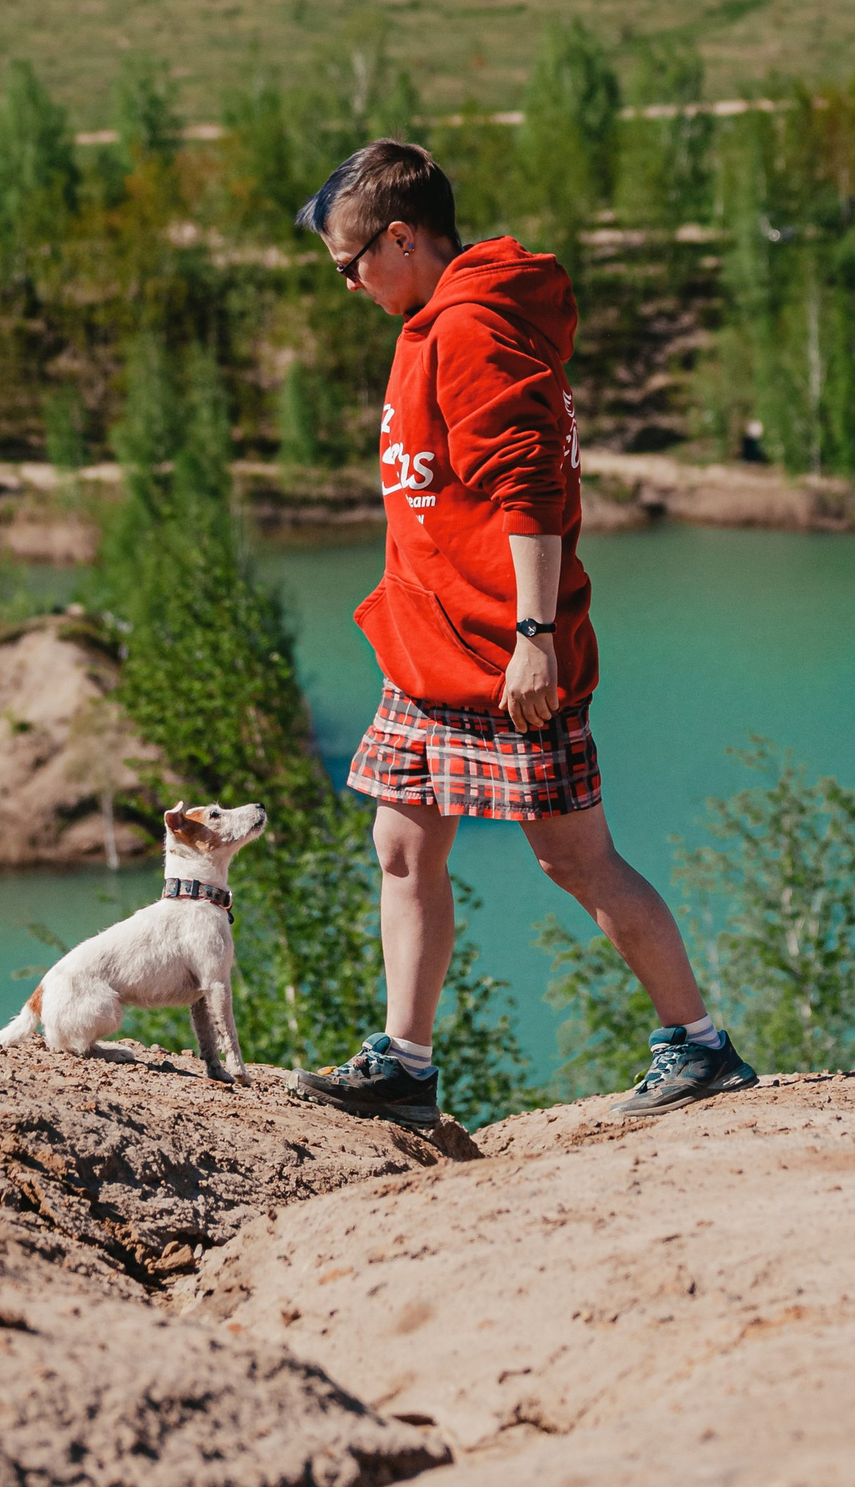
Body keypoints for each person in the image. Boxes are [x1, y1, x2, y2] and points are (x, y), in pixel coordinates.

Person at [289, 139, 755, 1128]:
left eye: (350, 262)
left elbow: (531, 488)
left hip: (501, 657)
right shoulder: (427, 323)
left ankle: (699, 1046)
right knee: (401, 845)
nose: (346, 284)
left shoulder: (473, 329)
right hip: (425, 650)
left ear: (402, 237)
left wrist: (534, 637)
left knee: (575, 859)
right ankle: (404, 1064)